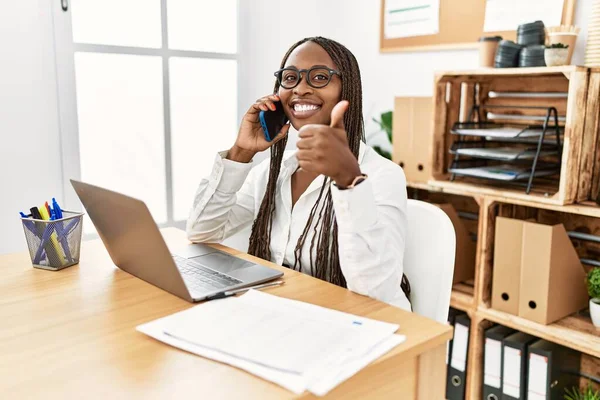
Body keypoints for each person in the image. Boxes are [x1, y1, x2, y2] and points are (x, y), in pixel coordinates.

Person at [186, 36, 411, 311]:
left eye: (319, 77)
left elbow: (376, 294)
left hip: (354, 323)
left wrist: (348, 180)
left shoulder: (381, 175)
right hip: (284, 314)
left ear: (346, 90)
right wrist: (241, 152)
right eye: (290, 78)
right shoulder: (275, 170)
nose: (301, 89)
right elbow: (202, 232)